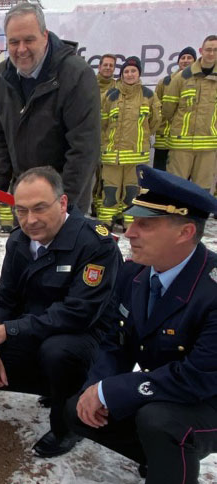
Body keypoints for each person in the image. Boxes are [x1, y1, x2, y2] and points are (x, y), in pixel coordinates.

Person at [66, 164, 217, 484]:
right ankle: (166, 460)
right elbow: (114, 341)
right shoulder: (134, 273)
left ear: (184, 232)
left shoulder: (213, 290)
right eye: (133, 220)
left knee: (159, 421)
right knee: (77, 409)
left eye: (145, 224)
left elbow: (197, 379)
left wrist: (112, 390)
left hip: (209, 398)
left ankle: (170, 460)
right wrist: (96, 389)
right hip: (170, 390)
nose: (130, 232)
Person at [0, 166, 121, 458]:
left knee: (58, 352)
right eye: (21, 211)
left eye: (40, 208)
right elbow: (4, 299)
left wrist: (7, 331)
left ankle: (67, 424)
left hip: (83, 337)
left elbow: (77, 313)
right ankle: (61, 389)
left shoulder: (96, 244)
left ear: (62, 203)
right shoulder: (19, 241)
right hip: (36, 331)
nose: (30, 220)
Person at [0, 3, 100, 214]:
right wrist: (0, 178)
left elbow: (84, 149)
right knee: (25, 247)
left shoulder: (76, 75)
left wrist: (62, 204)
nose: (21, 49)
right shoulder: (1, 77)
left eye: (29, 40)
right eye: (14, 42)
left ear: (45, 36)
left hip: (65, 199)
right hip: (24, 197)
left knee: (60, 247)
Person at [98, 56, 160, 230]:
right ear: (122, 74)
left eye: (133, 71)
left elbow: (155, 122)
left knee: (132, 192)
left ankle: (129, 222)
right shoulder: (109, 96)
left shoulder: (149, 95)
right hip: (112, 155)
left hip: (136, 155)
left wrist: (141, 136)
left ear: (139, 73)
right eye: (126, 71)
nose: (130, 74)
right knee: (110, 190)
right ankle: (107, 221)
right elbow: (102, 123)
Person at [163, 35, 217, 189]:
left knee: (202, 189)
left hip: (208, 146)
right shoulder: (182, 77)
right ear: (201, 50)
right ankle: (175, 214)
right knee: (175, 187)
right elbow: (168, 110)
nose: (211, 53)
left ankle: (198, 214)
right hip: (181, 144)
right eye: (208, 49)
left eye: (215, 50)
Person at [153, 47, 196, 171]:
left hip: (184, 141)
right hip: (163, 139)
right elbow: (156, 108)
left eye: (189, 58)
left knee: (180, 178)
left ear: (195, 61)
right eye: (183, 58)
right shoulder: (165, 82)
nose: (185, 60)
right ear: (178, 61)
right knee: (159, 177)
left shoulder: (199, 82)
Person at [92, 54, 117, 217]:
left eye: (111, 65)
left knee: (105, 177)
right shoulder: (89, 84)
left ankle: (99, 208)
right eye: (105, 65)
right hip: (89, 136)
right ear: (99, 67)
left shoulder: (119, 88)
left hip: (109, 139)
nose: (108, 68)